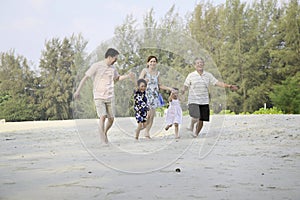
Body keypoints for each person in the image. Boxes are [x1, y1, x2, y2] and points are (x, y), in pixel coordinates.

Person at [74, 48, 134, 144]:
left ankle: (104, 133)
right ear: (110, 57)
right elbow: (85, 78)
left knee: (111, 119)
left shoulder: (113, 68)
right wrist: (78, 91)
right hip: (98, 96)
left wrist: (127, 76)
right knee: (102, 116)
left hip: (110, 96)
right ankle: (103, 141)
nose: (116, 61)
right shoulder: (96, 66)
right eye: (115, 58)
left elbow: (117, 78)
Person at [182, 58, 238, 137]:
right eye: (197, 63)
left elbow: (217, 83)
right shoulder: (191, 75)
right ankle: (191, 124)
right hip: (193, 100)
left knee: (202, 119)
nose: (200, 64)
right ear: (195, 65)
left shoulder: (208, 75)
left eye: (201, 63)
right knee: (196, 116)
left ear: (203, 64)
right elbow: (185, 85)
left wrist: (229, 86)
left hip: (204, 101)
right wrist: (183, 90)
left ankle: (196, 133)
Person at [139, 55, 173, 139]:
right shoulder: (145, 71)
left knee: (152, 115)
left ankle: (147, 132)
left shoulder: (157, 73)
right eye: (151, 61)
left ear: (156, 63)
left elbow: (160, 85)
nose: (153, 63)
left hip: (154, 95)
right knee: (148, 114)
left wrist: (169, 88)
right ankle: (142, 126)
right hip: (146, 94)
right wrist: (144, 81)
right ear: (148, 63)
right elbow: (139, 82)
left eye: (154, 61)